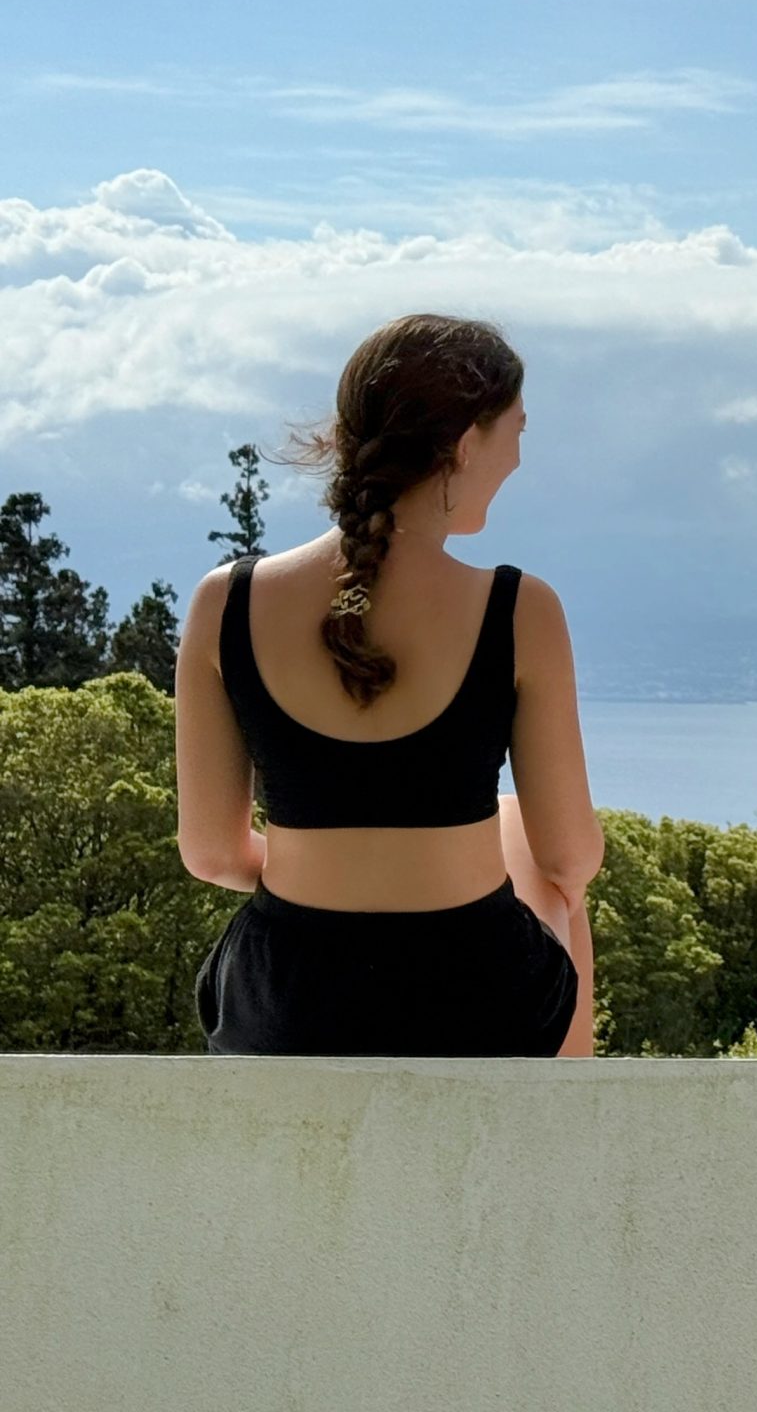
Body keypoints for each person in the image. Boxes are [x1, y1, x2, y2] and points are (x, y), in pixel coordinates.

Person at [177, 314, 603, 1057]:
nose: (519, 457)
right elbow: (569, 859)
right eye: (517, 431)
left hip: (286, 1012)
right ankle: (564, 1117)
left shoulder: (225, 602)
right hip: (476, 1005)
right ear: (465, 444)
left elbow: (212, 855)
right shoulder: (520, 610)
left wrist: (342, 873)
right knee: (531, 847)